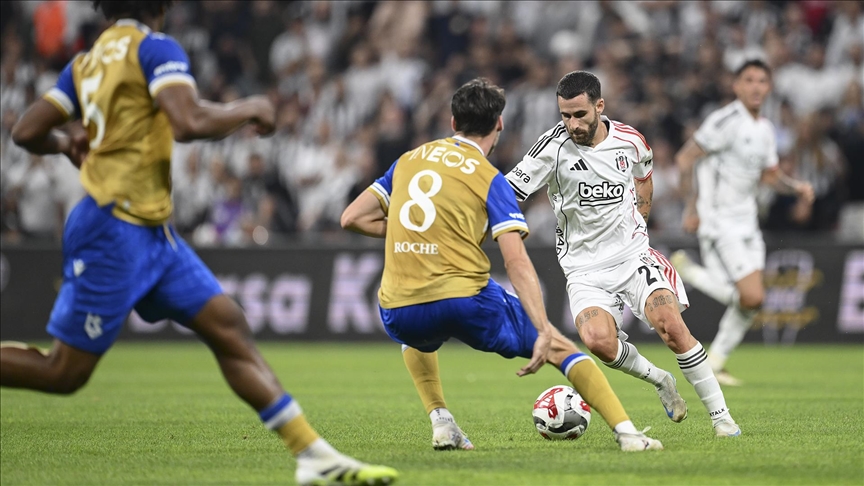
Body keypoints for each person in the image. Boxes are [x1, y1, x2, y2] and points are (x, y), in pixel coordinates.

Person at [0, 2, 398, 485]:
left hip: (152, 230)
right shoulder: (155, 47)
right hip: (112, 229)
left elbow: (26, 130)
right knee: (63, 373)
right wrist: (249, 107)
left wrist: (66, 143)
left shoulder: (86, 63)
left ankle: (311, 454)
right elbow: (187, 121)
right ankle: (311, 454)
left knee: (227, 323)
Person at [341, 78, 663, 452]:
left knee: (418, 338)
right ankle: (628, 435)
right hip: (465, 300)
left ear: (451, 122)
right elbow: (515, 260)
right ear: (499, 125)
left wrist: (414, 232)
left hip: (398, 309)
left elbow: (351, 218)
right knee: (561, 348)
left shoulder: (408, 161)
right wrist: (542, 327)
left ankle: (441, 420)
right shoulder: (487, 177)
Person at [504, 71, 741, 438]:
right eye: (565, 115)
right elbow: (507, 192)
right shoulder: (550, 149)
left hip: (633, 257)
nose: (572, 124)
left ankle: (722, 418)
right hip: (583, 268)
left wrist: (640, 224)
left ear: (600, 106)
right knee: (598, 341)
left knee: (672, 327)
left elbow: (644, 176)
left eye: (580, 114)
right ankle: (661, 380)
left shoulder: (630, 141)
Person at [671, 59, 814, 386]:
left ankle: (716, 362)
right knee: (752, 297)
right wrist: (691, 207)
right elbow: (685, 158)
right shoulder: (725, 120)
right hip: (720, 221)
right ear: (736, 86)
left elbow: (770, 175)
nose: (755, 86)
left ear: (769, 87)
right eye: (748, 80)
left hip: (748, 222)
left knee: (751, 302)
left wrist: (796, 188)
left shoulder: (765, 129)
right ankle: (686, 270)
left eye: (762, 80)